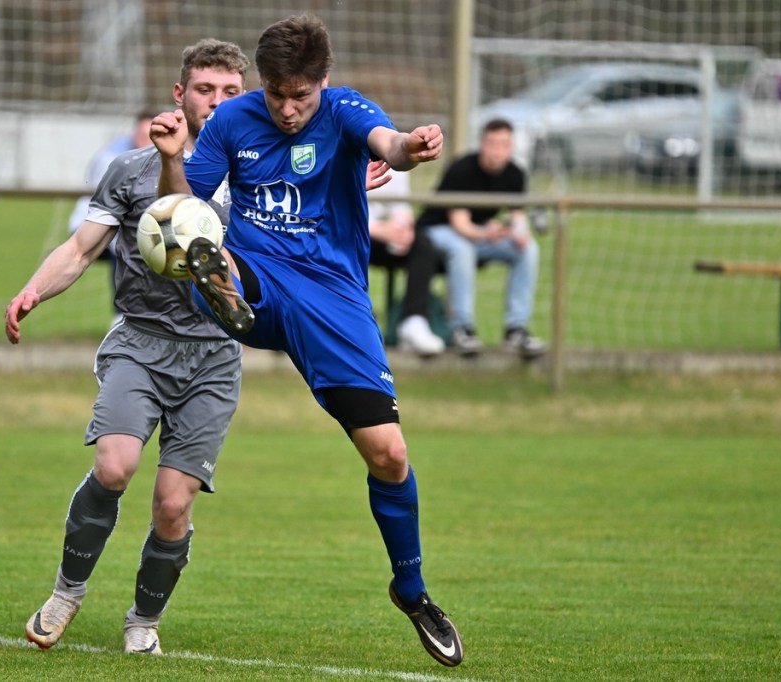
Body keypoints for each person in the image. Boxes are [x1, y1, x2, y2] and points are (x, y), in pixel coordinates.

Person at [151, 14, 464, 667]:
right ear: (262, 85)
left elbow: (388, 144)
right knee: (201, 245)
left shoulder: (345, 109)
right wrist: (172, 161)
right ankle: (222, 289)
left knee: (389, 455)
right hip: (259, 276)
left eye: (301, 96)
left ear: (323, 80)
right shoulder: (234, 121)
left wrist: (413, 145)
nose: (288, 110)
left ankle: (410, 591)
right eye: (276, 95)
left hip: (332, 301)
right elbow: (180, 208)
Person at [4, 39, 250, 656]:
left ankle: (144, 621)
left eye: (229, 92)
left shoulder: (257, 176)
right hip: (140, 341)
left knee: (172, 506)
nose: (216, 102)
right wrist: (34, 290)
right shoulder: (132, 169)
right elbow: (81, 248)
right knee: (114, 467)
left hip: (214, 355)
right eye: (205, 90)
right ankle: (66, 593)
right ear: (180, 94)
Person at [415, 118, 547, 358]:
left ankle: (516, 329)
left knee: (527, 249)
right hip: (437, 230)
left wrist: (517, 233)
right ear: (482, 144)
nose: (497, 151)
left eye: (503, 144)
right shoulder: (462, 169)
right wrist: (487, 233)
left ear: (511, 147)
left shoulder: (515, 173)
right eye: (492, 144)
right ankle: (463, 329)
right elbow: (460, 223)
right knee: (462, 247)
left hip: (478, 232)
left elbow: (517, 216)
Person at [67, 110, 156, 330]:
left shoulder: (167, 157)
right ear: (134, 134)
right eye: (142, 135)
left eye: (151, 136)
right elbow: (107, 207)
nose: (146, 141)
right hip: (92, 224)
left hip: (127, 226)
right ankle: (121, 314)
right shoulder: (114, 159)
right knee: (126, 241)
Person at [366, 165, 447, 356]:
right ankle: (359, 320)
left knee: (422, 243)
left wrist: (403, 230)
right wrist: (379, 230)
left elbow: (401, 205)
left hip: (383, 234)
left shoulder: (393, 154)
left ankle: (414, 321)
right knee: (348, 240)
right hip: (350, 231)